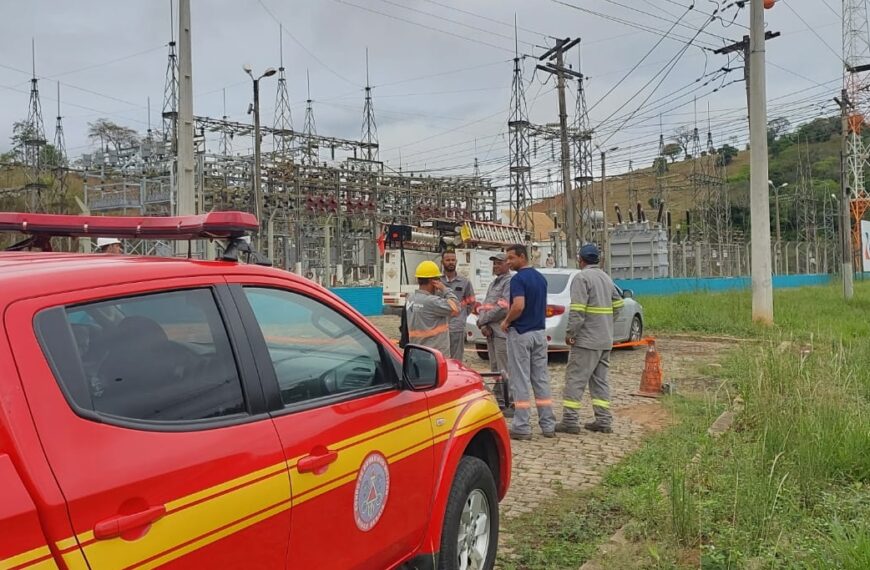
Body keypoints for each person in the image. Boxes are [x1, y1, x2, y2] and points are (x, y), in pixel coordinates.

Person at [556, 244, 624, 435]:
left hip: (586, 341)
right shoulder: (606, 277)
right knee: (600, 381)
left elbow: (577, 310)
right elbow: (619, 304)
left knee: (575, 379)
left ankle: (570, 421)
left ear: (581, 259)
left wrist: (571, 334)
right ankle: (603, 420)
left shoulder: (582, 278)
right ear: (598, 259)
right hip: (604, 340)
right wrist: (605, 323)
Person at [500, 243, 556, 440]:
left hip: (521, 333)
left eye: (511, 258)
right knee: (541, 379)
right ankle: (548, 424)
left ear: (522, 257)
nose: (508, 262)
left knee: (520, 379)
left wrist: (506, 321)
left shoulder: (518, 279)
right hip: (539, 333)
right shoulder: (540, 278)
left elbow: (518, 305)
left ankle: (522, 426)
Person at [475, 253, 512, 408]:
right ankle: (499, 400)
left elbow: (503, 307)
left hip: (502, 333)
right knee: (495, 368)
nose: (495, 266)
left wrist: (483, 320)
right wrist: (483, 325)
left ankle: (509, 401)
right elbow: (486, 305)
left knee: (504, 369)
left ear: (508, 264)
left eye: (499, 263)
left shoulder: (509, 282)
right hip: (490, 332)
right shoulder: (493, 284)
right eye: (494, 263)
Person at [404, 260, 459, 355]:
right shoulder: (432, 301)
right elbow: (456, 307)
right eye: (437, 279)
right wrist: (444, 289)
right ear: (432, 281)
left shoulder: (411, 298)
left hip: (417, 351)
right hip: (434, 354)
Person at [441, 250, 476, 361]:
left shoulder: (465, 282)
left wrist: (462, 315)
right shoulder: (437, 281)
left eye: (453, 260)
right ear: (442, 262)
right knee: (441, 358)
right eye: (448, 260)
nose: (451, 262)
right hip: (439, 327)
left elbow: (471, 301)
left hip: (457, 327)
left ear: (456, 261)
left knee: (456, 360)